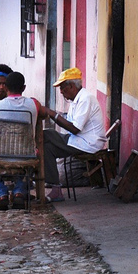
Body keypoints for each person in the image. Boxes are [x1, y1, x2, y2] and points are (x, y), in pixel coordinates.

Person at [0, 72, 52, 210]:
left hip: (0, 155)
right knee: (34, 154)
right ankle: (19, 192)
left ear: (6, 88)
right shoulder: (34, 104)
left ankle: (0, 193)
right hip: (27, 155)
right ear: (24, 87)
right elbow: (44, 114)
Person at [43, 68, 109, 201]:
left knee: (47, 134)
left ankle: (50, 184)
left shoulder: (85, 98)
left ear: (72, 86)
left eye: (63, 88)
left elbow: (75, 129)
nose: (61, 91)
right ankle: (55, 188)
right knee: (47, 148)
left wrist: (52, 114)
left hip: (88, 143)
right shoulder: (76, 100)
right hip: (78, 140)